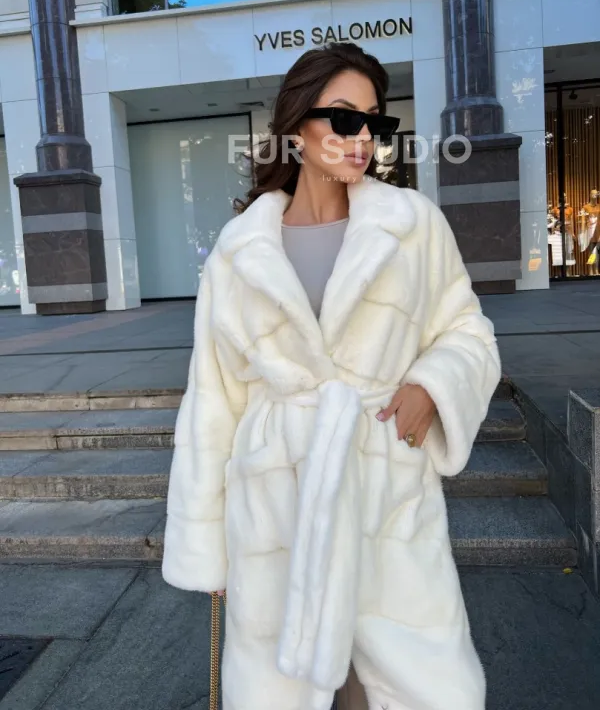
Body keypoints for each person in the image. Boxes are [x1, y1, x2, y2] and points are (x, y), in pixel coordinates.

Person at [162, 42, 501, 710]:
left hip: (384, 494)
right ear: (297, 126)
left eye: (375, 122)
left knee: (419, 687)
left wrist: (433, 386)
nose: (363, 137)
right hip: (275, 507)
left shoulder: (411, 226)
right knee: (287, 692)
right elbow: (213, 402)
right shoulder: (239, 250)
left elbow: (468, 330)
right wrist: (208, 545)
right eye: (345, 118)